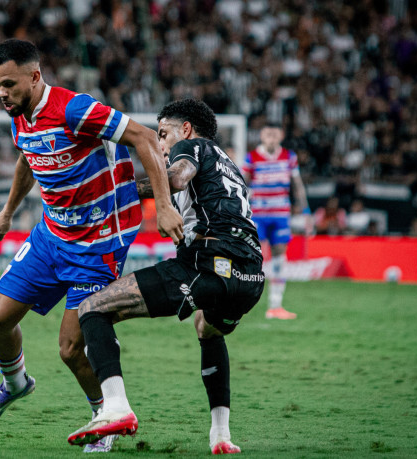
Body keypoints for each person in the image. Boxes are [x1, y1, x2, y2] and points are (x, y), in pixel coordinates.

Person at [0, 39, 183, 453]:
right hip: (52, 235)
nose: (1, 92)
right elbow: (26, 158)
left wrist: (162, 208)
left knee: (72, 349)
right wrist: (7, 212)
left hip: (97, 244)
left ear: (35, 77)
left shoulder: (74, 109)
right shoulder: (19, 112)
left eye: (9, 84)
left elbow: (142, 137)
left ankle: (103, 418)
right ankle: (16, 384)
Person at [67, 99, 264, 455]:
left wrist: (119, 192)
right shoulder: (230, 164)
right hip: (250, 277)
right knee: (208, 328)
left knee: (93, 307)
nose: (159, 144)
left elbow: (174, 178)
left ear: (185, 129)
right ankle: (220, 435)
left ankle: (114, 407)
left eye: (162, 134)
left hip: (207, 262)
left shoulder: (191, 146)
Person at [241, 124, 309, 320]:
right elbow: (242, 184)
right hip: (258, 216)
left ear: (281, 135)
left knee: (280, 257)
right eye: (267, 133)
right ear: (261, 135)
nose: (270, 136)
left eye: (274, 133)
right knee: (252, 258)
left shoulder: (289, 157)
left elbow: (297, 185)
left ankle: (275, 305)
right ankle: (241, 301)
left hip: (280, 215)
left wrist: (305, 211)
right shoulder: (252, 157)